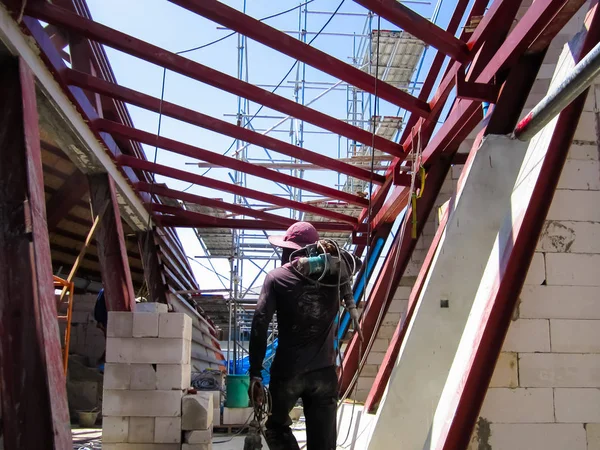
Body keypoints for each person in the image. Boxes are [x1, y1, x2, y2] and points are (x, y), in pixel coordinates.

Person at [248, 222, 342, 450]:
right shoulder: (335, 279)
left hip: (288, 372)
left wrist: (256, 373)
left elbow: (260, 323)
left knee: (275, 427)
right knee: (324, 444)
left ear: (288, 250)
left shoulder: (277, 277)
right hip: (325, 372)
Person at [94, 288, 108, 371]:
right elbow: (99, 307)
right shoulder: (105, 292)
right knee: (110, 345)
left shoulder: (103, 291)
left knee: (109, 345)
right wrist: (100, 322)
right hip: (105, 322)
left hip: (104, 321)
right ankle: (101, 366)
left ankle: (101, 365)